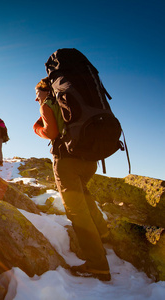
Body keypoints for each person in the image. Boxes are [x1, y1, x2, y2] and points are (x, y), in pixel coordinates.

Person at [33, 77, 111, 281]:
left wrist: (37, 128)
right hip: (89, 160)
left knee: (77, 212)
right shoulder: (74, 99)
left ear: (45, 90)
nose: (36, 98)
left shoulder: (48, 104)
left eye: (37, 93)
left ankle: (98, 265)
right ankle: (103, 234)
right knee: (83, 195)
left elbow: (51, 132)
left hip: (66, 160)